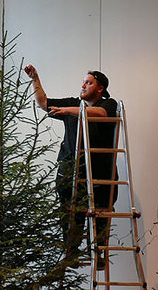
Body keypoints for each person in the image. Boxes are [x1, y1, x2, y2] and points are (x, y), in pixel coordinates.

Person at [23, 65, 118, 267]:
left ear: (100, 88)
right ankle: (71, 252)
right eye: (83, 82)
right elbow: (43, 103)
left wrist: (67, 111)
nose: (83, 85)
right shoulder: (74, 103)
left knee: (101, 211)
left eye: (88, 82)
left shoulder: (109, 104)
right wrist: (35, 79)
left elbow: (100, 113)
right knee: (70, 210)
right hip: (70, 169)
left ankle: (99, 253)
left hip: (101, 170)